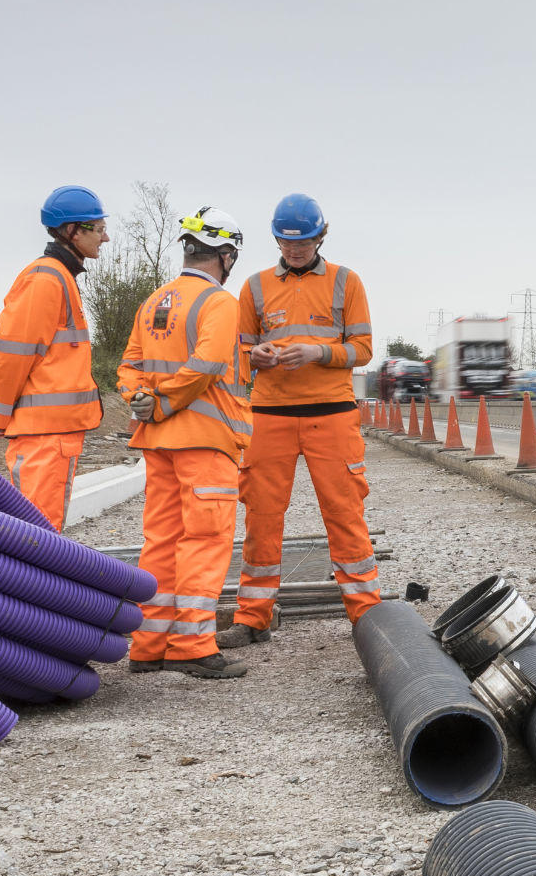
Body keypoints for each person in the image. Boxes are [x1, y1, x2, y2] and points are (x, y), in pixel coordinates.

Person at [223, 193, 378, 644]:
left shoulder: (347, 283)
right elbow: (237, 354)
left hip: (331, 415)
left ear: (321, 236)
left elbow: (363, 350)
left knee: (344, 511)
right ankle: (252, 615)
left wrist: (318, 353)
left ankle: (365, 613)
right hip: (269, 416)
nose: (295, 251)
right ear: (275, 240)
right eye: (287, 244)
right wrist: (258, 357)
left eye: (304, 243)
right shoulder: (253, 288)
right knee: (261, 516)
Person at [114, 207, 253, 678]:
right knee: (205, 540)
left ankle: (149, 644)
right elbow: (208, 365)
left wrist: (141, 399)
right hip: (204, 441)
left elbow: (129, 364)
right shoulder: (219, 302)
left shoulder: (155, 300)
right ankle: (192, 645)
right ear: (227, 255)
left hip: (158, 442)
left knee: (161, 541)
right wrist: (164, 403)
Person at [0, 187, 109, 525]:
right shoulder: (46, 280)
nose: (106, 237)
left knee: (41, 537)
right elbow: (13, 357)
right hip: (44, 438)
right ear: (73, 230)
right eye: (98, 229)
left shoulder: (59, 278)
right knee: (35, 540)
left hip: (52, 435)